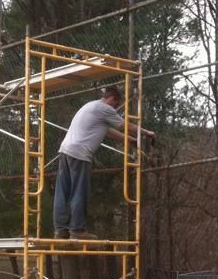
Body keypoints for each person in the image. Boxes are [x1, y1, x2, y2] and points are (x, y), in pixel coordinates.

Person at [52, 85, 153, 239]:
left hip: (65, 151)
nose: (116, 108)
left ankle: (60, 230)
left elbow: (107, 131)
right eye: (116, 104)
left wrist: (130, 140)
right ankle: (77, 230)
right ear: (112, 99)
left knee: (63, 192)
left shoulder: (90, 106)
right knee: (79, 192)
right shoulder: (105, 108)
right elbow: (125, 125)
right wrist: (146, 132)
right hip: (80, 154)